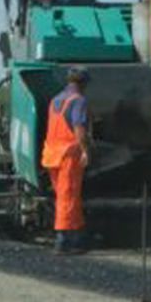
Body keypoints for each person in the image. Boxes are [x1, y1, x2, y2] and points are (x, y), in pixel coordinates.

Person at [40, 67, 91, 255]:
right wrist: (86, 150)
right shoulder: (78, 101)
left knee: (67, 196)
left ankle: (76, 238)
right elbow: (78, 127)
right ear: (83, 83)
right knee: (67, 197)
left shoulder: (56, 100)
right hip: (68, 154)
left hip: (51, 154)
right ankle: (62, 241)